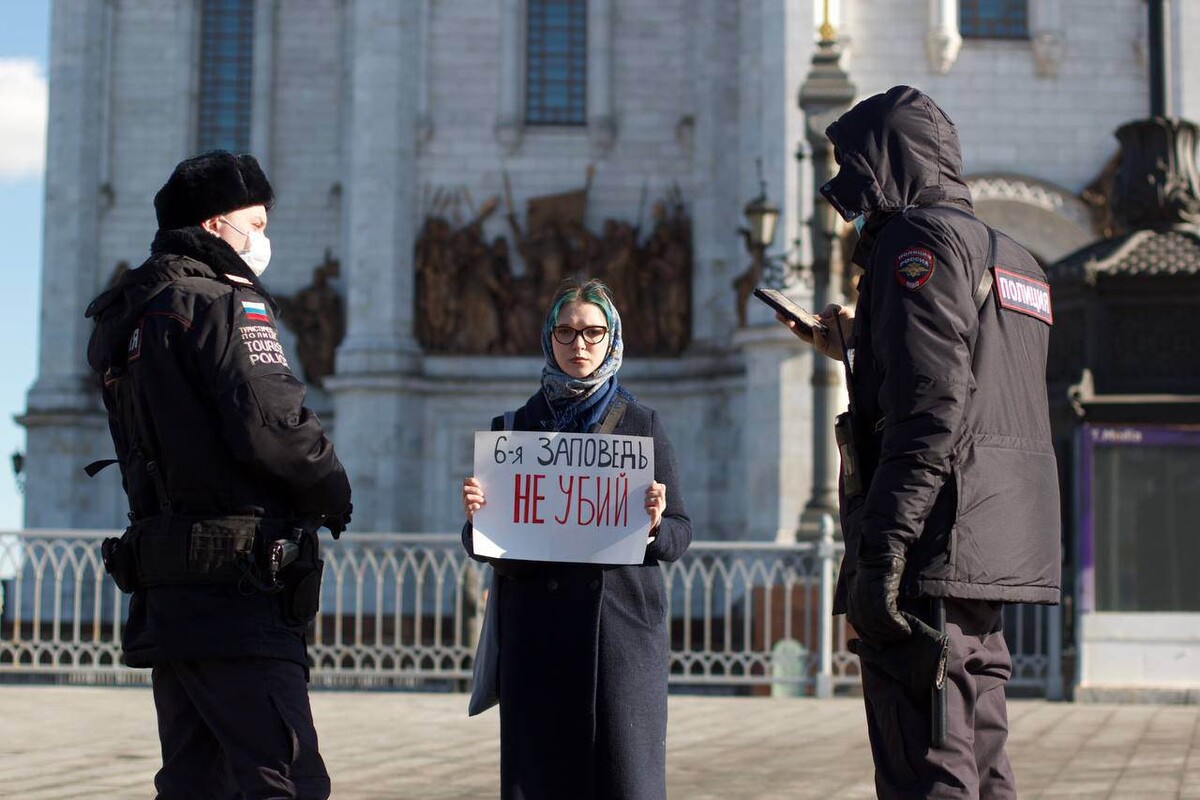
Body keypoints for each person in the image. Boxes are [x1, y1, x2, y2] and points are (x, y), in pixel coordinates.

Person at [781, 86, 1061, 798]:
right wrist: (856, 343)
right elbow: (980, 382)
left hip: (933, 542)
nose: (851, 194)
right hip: (994, 544)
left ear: (887, 162)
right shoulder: (1016, 257)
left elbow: (932, 409)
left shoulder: (917, 244)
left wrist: (883, 551)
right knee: (981, 759)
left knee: (927, 769)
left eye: (857, 169)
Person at [85, 150, 352, 799]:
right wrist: (331, 489)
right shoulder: (221, 304)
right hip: (237, 587)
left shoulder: (131, 313)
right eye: (254, 223)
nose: (263, 238)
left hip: (168, 587)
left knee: (195, 779)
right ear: (214, 226)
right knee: (283, 777)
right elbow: (273, 423)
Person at [460, 278, 692, 800]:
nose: (579, 344)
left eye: (592, 332)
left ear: (612, 339)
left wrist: (654, 526)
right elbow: (492, 550)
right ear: (548, 340)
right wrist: (478, 521)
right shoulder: (513, 429)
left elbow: (680, 533)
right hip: (537, 640)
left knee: (623, 781)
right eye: (566, 332)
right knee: (543, 780)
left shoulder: (641, 425)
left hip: (620, 641)